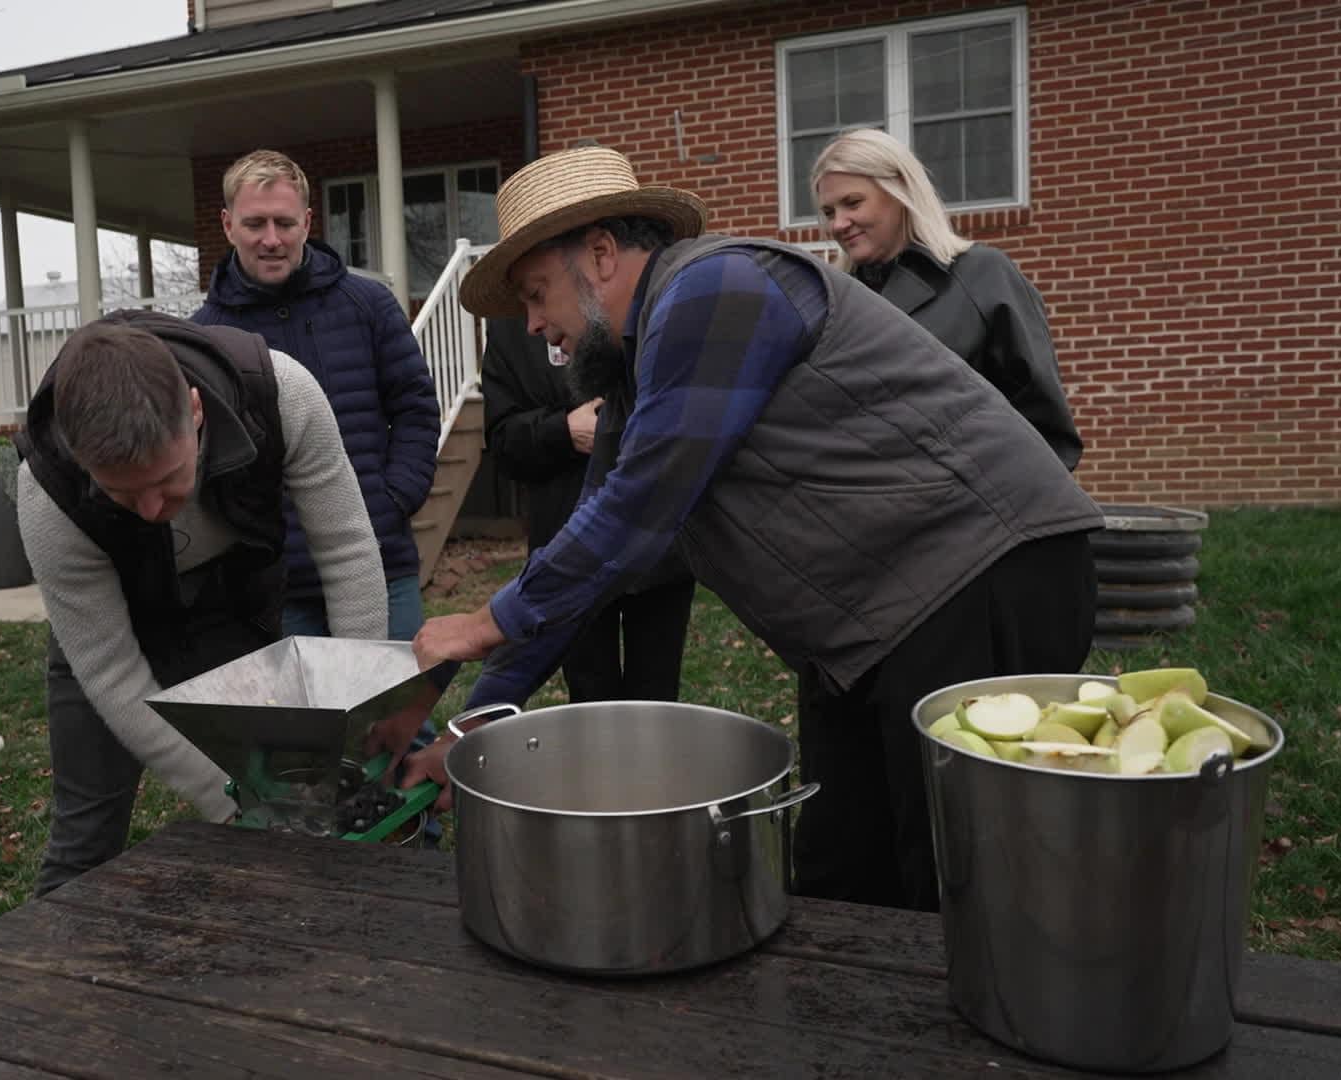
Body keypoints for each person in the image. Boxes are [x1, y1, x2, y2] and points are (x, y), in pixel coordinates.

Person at [398, 146, 1103, 913]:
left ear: (600, 255)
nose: (536, 327)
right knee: (841, 877)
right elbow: (591, 560)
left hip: (981, 572)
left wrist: (479, 623)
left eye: (537, 294)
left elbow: (640, 506)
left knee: (956, 877)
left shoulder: (717, 285)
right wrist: (468, 729)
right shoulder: (639, 382)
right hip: (867, 630)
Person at [14, 310, 388, 897]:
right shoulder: (48, 494)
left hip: (230, 608)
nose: (150, 509)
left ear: (194, 409)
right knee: (85, 838)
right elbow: (111, 671)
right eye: (120, 492)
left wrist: (355, 713)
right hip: (110, 630)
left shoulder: (280, 393)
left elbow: (347, 553)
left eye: (168, 479)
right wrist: (230, 800)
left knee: (295, 804)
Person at [193, 149, 441, 643]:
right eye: (255, 223)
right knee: (306, 720)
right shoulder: (205, 338)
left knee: (395, 716)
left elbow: (415, 409)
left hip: (380, 561)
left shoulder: (368, 305)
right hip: (278, 584)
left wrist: (392, 501)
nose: (271, 239)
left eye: (284, 223)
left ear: (308, 222)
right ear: (227, 225)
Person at [812, 127, 1082, 469]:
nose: (838, 224)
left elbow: (1046, 428)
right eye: (828, 212)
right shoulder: (833, 302)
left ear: (900, 192)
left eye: (852, 203)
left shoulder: (983, 276)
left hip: (974, 511)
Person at [481, 315, 695, 702]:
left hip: (656, 541)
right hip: (567, 547)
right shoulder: (512, 328)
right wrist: (561, 430)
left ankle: (656, 763)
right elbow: (502, 441)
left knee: (657, 692)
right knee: (590, 692)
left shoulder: (636, 304)